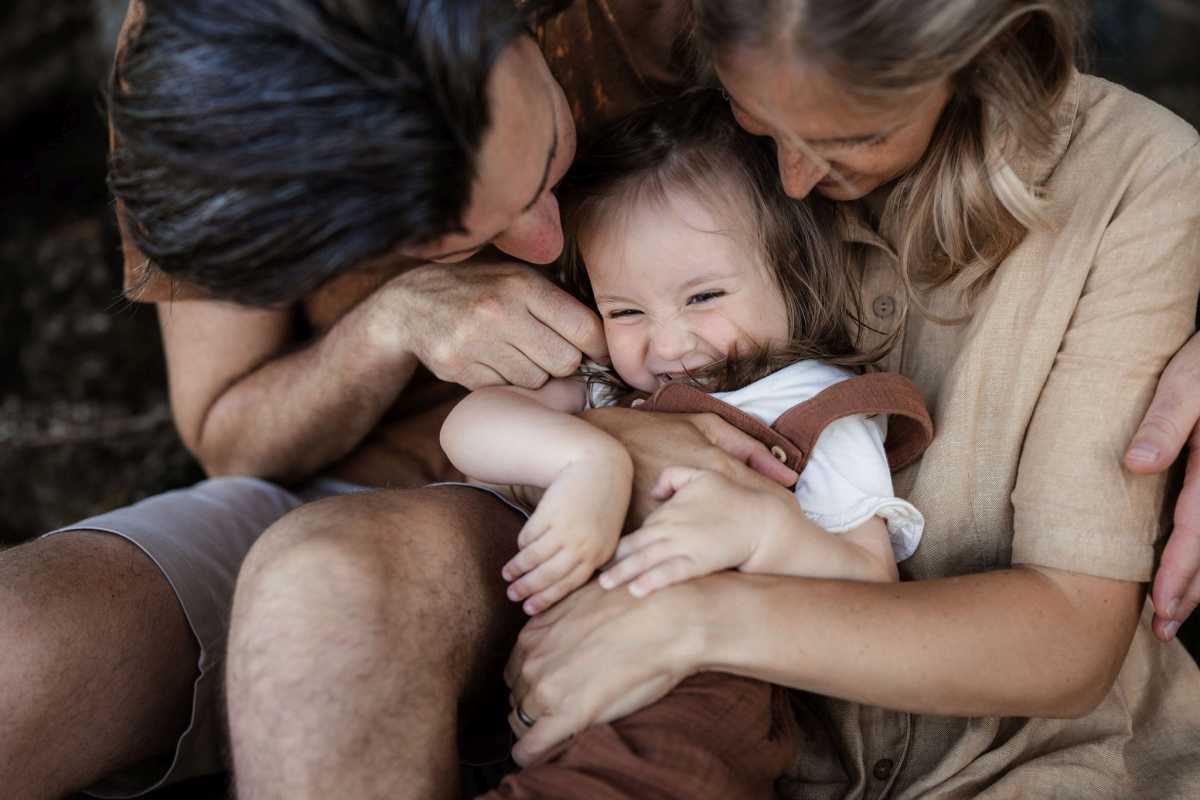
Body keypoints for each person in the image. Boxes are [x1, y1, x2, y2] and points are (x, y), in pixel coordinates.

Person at [0, 0, 1197, 798]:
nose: (542, 243)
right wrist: (397, 315)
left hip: (533, 533)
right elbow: (225, 433)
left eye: (552, 162)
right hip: (449, 480)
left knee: (326, 589)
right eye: (454, 233)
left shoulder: (706, 32)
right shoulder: (214, 90)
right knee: (27, 651)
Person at [494, 1, 1200, 796]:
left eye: (854, 137)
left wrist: (692, 622)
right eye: (755, 120)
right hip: (765, 752)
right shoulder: (693, 153)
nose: (793, 181)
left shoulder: (1136, 177)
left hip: (1031, 762)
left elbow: (1071, 636)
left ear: (988, 57)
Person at [440, 93, 937, 797]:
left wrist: (766, 530)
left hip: (704, 686)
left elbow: (871, 586)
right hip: (538, 667)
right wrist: (588, 460)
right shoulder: (611, 390)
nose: (668, 343)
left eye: (703, 298)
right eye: (626, 310)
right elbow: (465, 428)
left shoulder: (815, 406)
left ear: (792, 275)